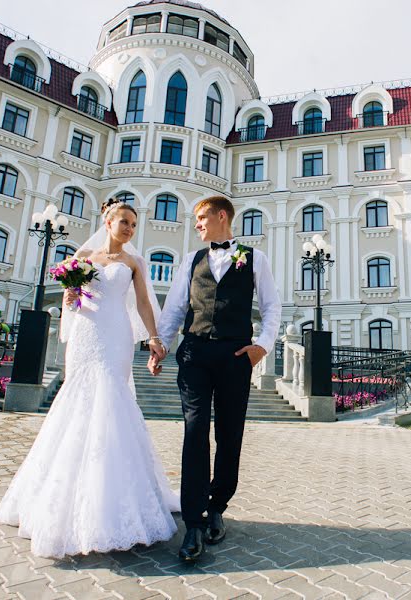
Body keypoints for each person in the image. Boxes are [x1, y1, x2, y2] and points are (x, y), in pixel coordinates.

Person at [0, 198, 177, 558]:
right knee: (76, 404)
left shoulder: (134, 262)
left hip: (116, 334)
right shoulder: (84, 257)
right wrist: (71, 293)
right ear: (107, 221)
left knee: (112, 401)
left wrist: (153, 337)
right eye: (123, 222)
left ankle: (113, 500)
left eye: (133, 225)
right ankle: (60, 499)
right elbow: (71, 300)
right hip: (86, 333)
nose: (128, 229)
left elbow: (142, 304)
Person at [152, 195, 281, 562]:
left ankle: (218, 505)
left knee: (229, 431)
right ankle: (192, 522)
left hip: (235, 356)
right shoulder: (191, 260)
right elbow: (176, 307)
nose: (197, 225)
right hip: (194, 354)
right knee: (194, 431)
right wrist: (160, 345)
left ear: (221, 216)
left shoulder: (256, 258)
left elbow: (272, 306)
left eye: (201, 218)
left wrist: (262, 346)